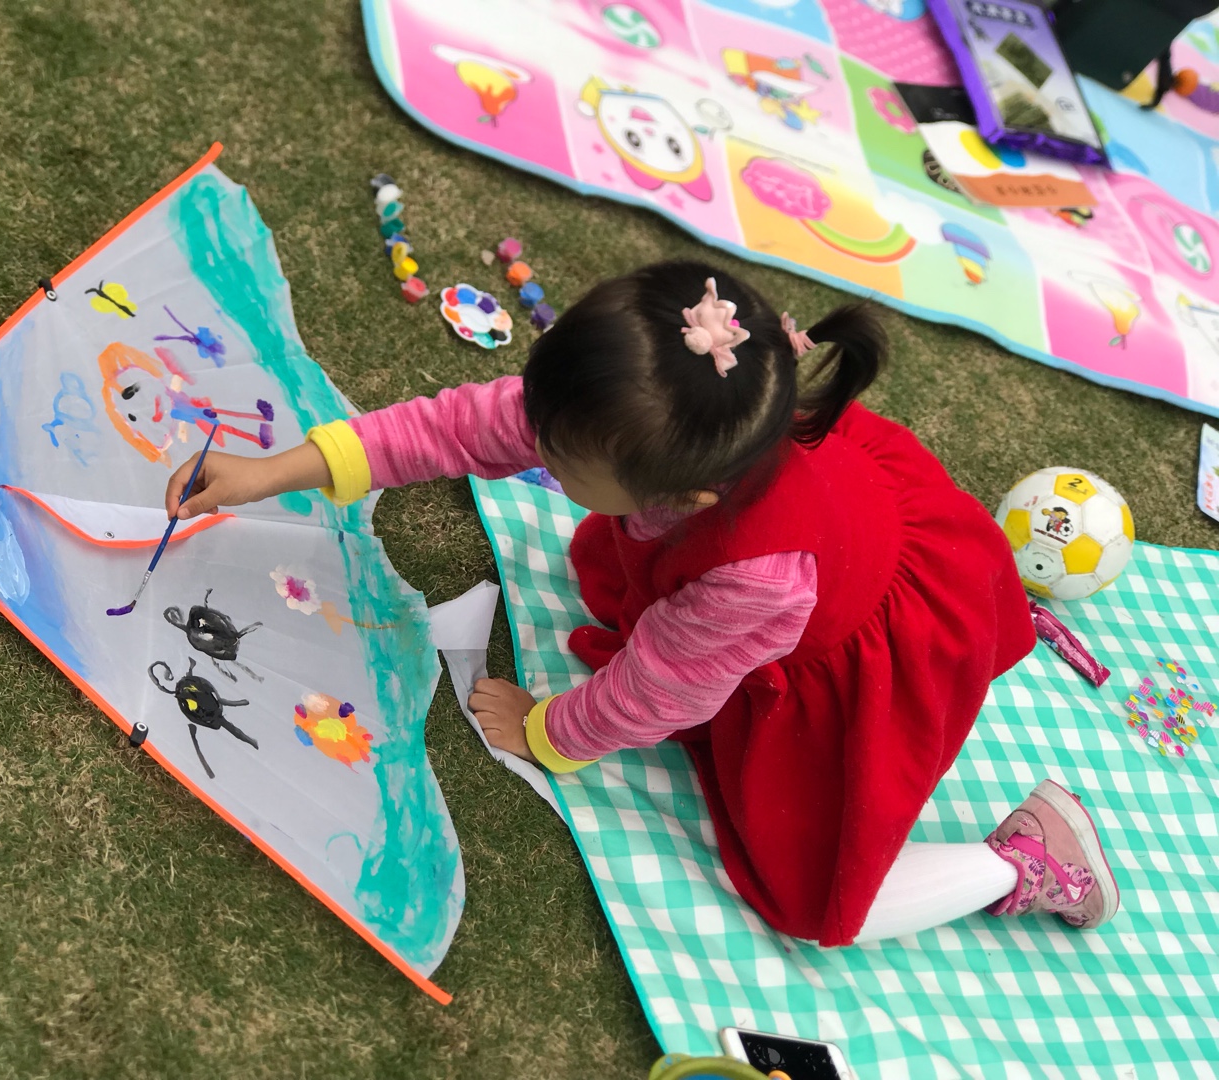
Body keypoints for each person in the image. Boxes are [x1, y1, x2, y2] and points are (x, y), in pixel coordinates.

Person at [165, 261, 1119, 946]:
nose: (531, 448)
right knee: (623, 590)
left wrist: (545, 732)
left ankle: (1027, 857)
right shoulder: (650, 416)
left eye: (557, 462)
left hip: (862, 645)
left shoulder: (750, 579)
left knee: (817, 897)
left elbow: (660, 694)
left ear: (683, 499)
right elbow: (455, 430)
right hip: (799, 552)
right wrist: (268, 472)